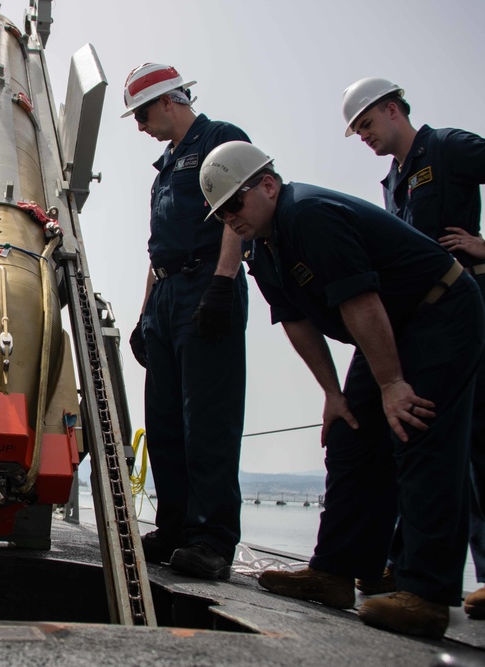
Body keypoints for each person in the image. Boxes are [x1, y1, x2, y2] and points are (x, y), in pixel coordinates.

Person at [199, 140, 484, 639]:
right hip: (385, 326)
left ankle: (427, 593)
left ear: (267, 185)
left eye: (235, 204)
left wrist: (393, 383)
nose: (231, 219)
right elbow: (295, 321)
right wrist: (334, 395)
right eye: (221, 213)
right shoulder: (261, 246)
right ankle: (334, 572)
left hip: (439, 311)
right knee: (352, 437)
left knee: (418, 432)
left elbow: (360, 298)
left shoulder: (308, 214)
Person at [343, 76, 485, 618]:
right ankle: (403, 566)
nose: (365, 137)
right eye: (357, 132)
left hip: (467, 308)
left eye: (367, 125)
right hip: (423, 325)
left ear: (393, 109)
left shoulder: (447, 148)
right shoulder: (393, 181)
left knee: (477, 444)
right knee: (432, 438)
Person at [122, 63, 249, 580]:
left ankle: (211, 538)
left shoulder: (220, 139)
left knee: (208, 420)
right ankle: (174, 525)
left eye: (144, 113)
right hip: (168, 294)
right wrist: (144, 313)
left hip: (205, 286)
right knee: (166, 420)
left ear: (170, 100)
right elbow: (158, 252)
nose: (140, 125)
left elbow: (237, 210)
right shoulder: (164, 169)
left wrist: (223, 280)